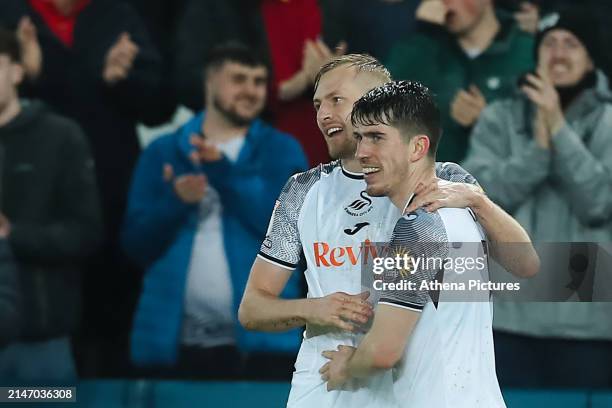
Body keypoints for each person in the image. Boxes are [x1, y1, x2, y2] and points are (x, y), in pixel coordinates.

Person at [239, 54, 538, 407]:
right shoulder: (303, 191)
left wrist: (479, 201)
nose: (323, 115)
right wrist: (313, 308)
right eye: (317, 103)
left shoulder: (443, 182)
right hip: (325, 381)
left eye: (337, 100)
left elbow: (525, 267)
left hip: (399, 380)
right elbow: (252, 309)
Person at [122, 43, 307, 379]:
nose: (251, 91)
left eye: (258, 81)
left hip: (263, 349)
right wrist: (174, 202)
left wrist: (224, 174)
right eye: (238, 79)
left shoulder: (281, 151)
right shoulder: (162, 152)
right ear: (209, 82)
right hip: (174, 348)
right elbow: (136, 247)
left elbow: (289, 235)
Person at [462, 8, 612, 388]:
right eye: (550, 43)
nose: (558, 52)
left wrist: (556, 127)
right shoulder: (498, 118)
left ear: (592, 56)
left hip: (585, 322)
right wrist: (538, 151)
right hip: (508, 316)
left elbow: (599, 202)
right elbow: (479, 199)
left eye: (571, 43)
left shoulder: (609, 120)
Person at [0, 26, 102, 382]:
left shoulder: (60, 137)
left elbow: (87, 233)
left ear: (17, 70)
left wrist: (12, 234)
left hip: (40, 344)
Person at [386, 0, 534, 162]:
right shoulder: (425, 48)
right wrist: (425, 34)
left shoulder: (526, 53)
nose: (445, 4)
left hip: (498, 182)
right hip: (430, 181)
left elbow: (543, 137)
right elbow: (382, 103)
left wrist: (488, 119)